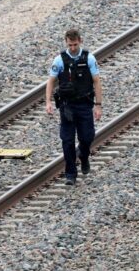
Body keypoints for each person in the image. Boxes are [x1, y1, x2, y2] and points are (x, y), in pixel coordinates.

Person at [46, 29, 102, 185]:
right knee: (67, 140)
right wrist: (48, 102)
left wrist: (98, 105)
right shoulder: (59, 60)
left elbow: (96, 81)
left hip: (84, 104)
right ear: (66, 42)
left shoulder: (89, 58)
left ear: (80, 41)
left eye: (75, 44)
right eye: (69, 45)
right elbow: (50, 81)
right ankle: (70, 173)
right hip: (67, 106)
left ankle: (84, 156)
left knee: (87, 137)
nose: (72, 48)